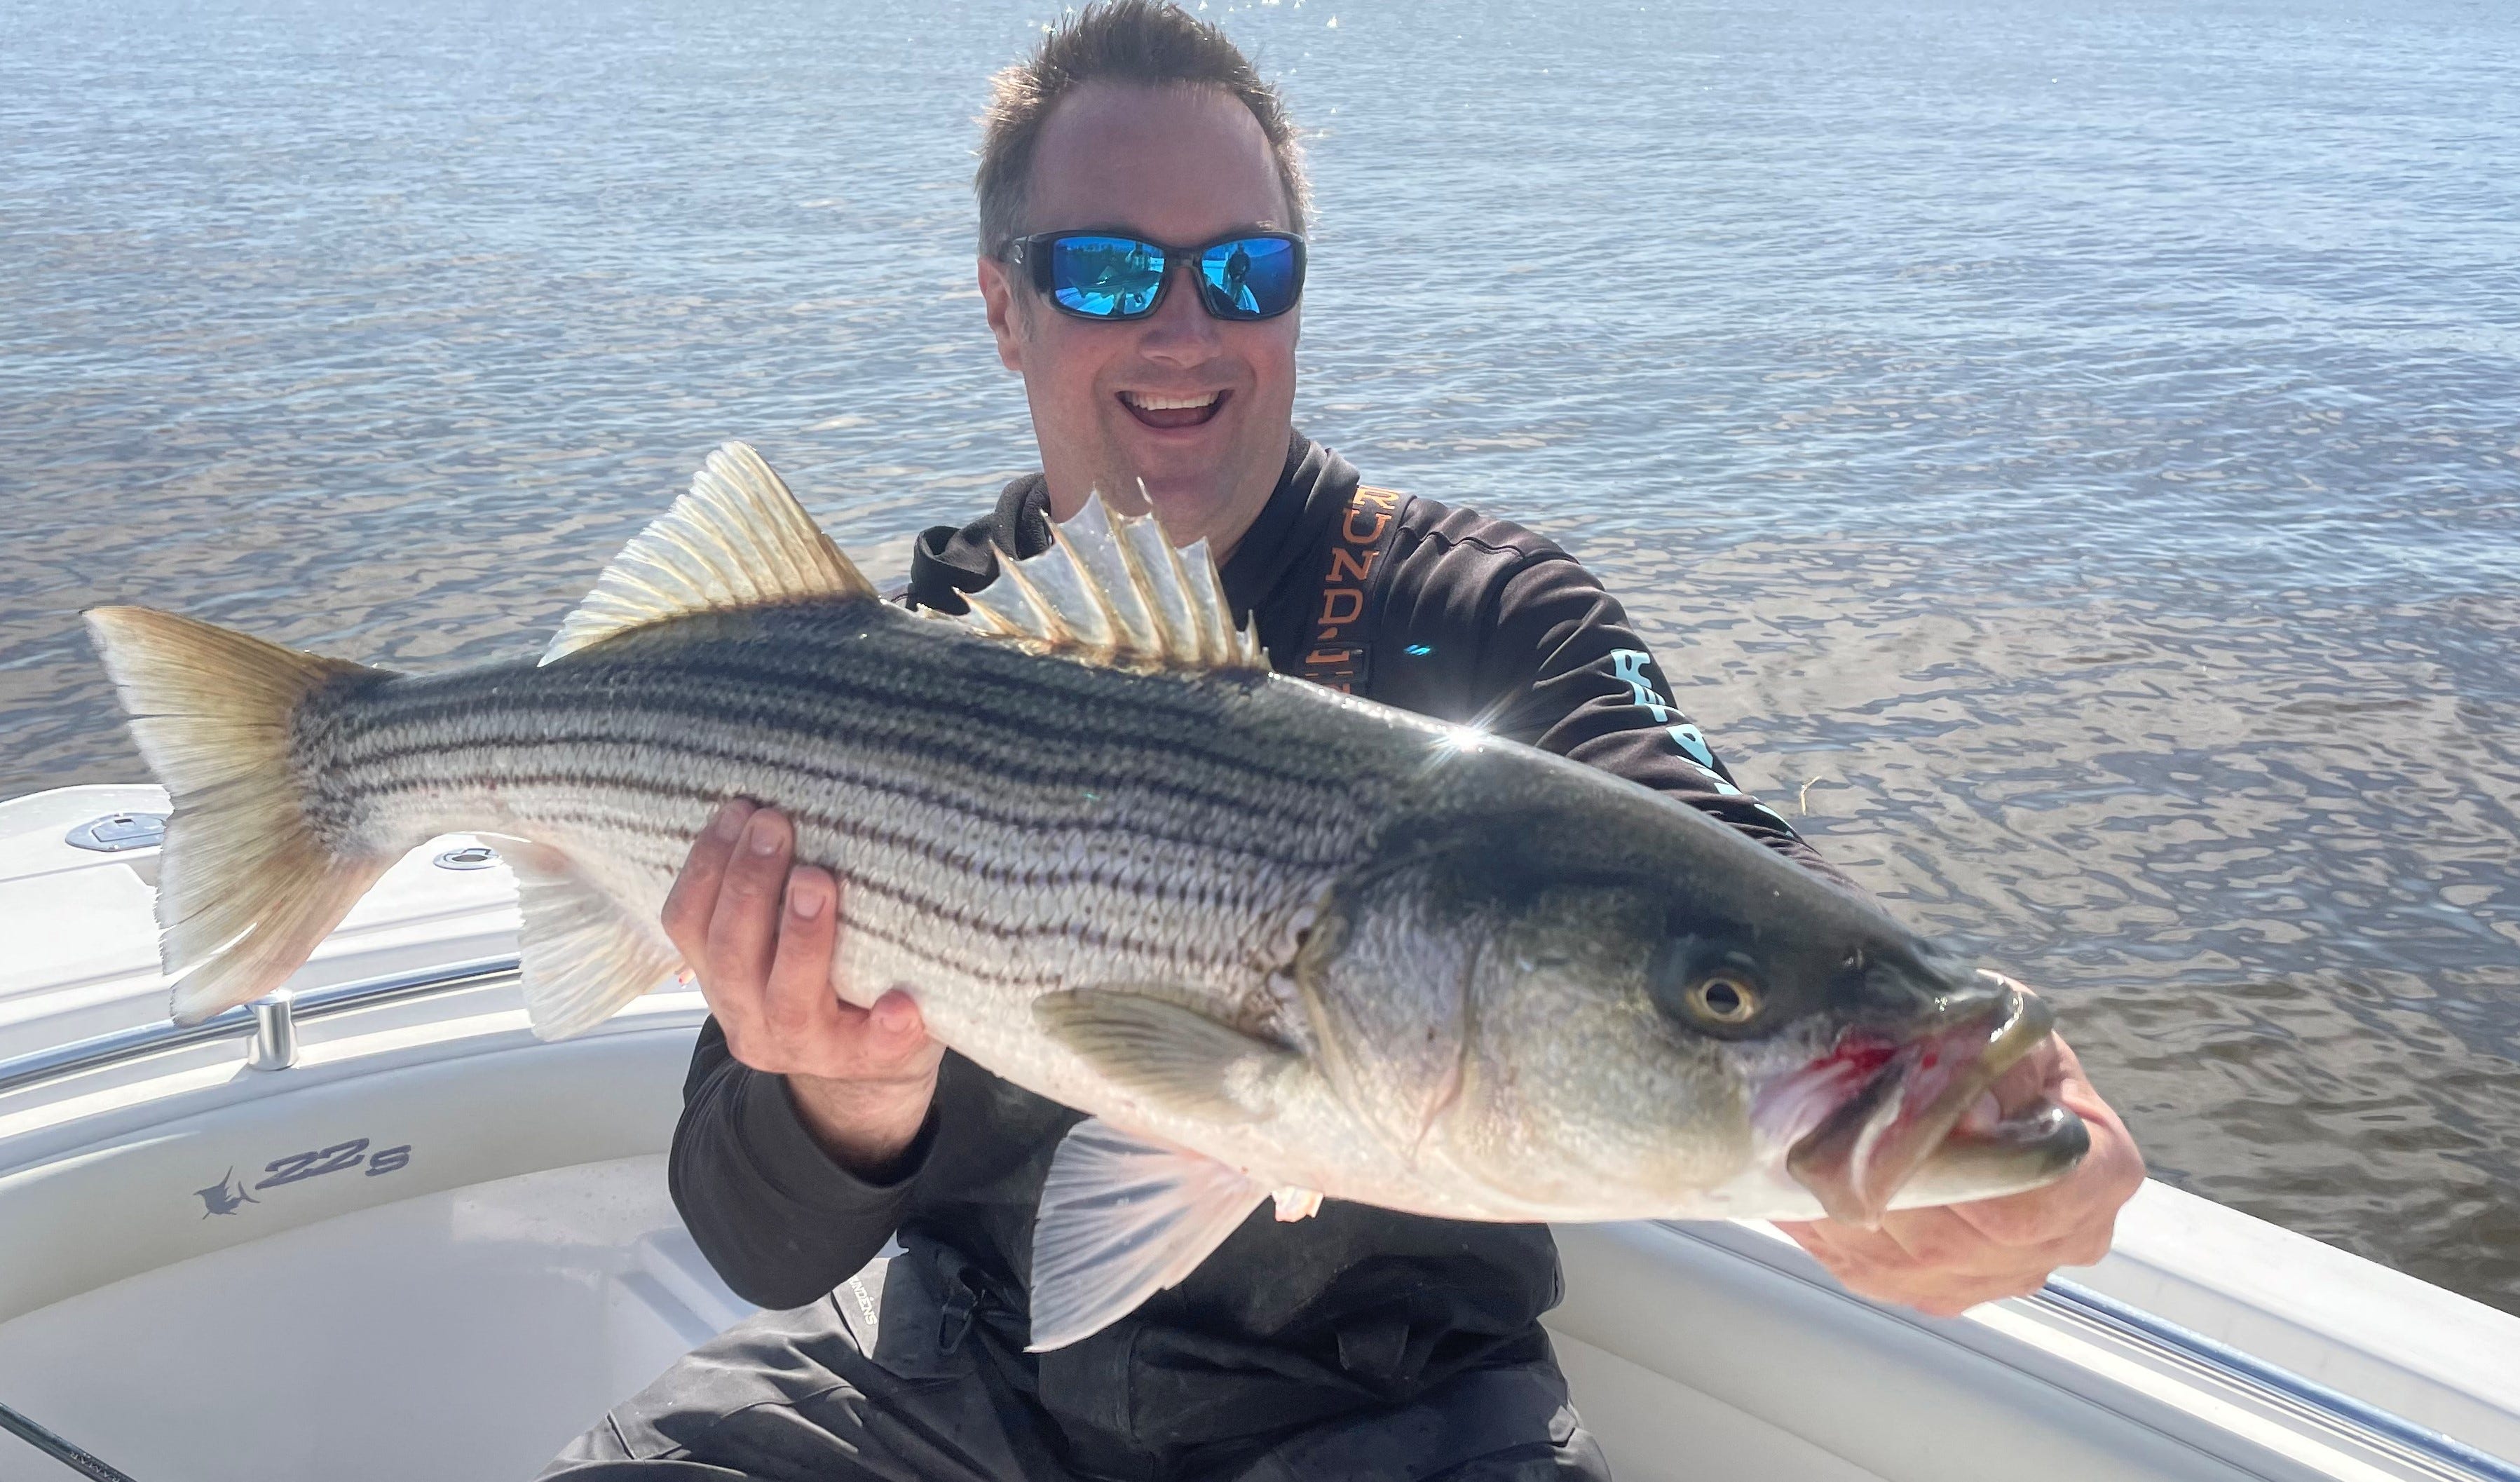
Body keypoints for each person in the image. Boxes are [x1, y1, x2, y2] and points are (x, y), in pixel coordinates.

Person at [542, 4, 2146, 1477]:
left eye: (1245, 271)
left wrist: (1984, 1092)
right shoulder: (910, 652)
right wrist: (845, 1101)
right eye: (1105, 271)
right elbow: (752, 1241)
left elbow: (1702, 851)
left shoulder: (1490, 608)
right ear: (1000, 304)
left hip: (1399, 1418)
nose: (1185, 329)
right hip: (951, 1390)